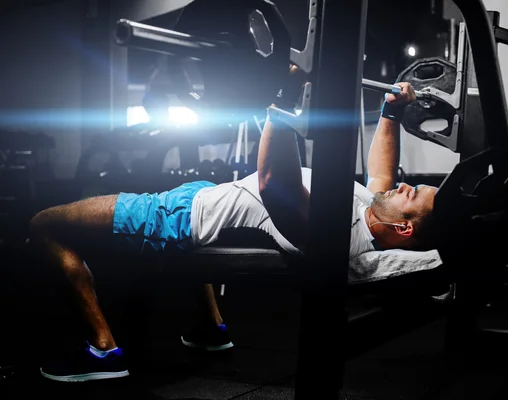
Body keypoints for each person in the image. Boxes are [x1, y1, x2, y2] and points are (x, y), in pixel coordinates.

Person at [29, 73, 438, 383]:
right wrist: (391, 111)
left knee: (45, 223)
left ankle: (103, 350)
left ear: (403, 230)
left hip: (177, 217)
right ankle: (210, 327)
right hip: (208, 197)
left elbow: (274, 182)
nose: (404, 184)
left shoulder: (337, 235)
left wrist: (282, 100)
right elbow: (382, 173)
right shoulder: (373, 213)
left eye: (412, 194)